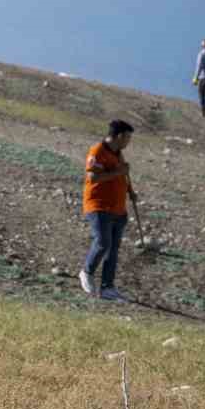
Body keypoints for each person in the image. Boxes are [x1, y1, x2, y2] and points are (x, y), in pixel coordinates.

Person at [78, 120, 137, 302]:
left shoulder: (119, 154)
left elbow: (123, 175)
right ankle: (86, 272)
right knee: (103, 242)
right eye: (127, 137)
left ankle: (107, 287)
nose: (128, 142)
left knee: (113, 250)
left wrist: (131, 191)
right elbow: (93, 177)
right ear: (119, 136)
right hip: (99, 206)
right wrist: (119, 173)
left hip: (118, 209)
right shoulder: (97, 151)